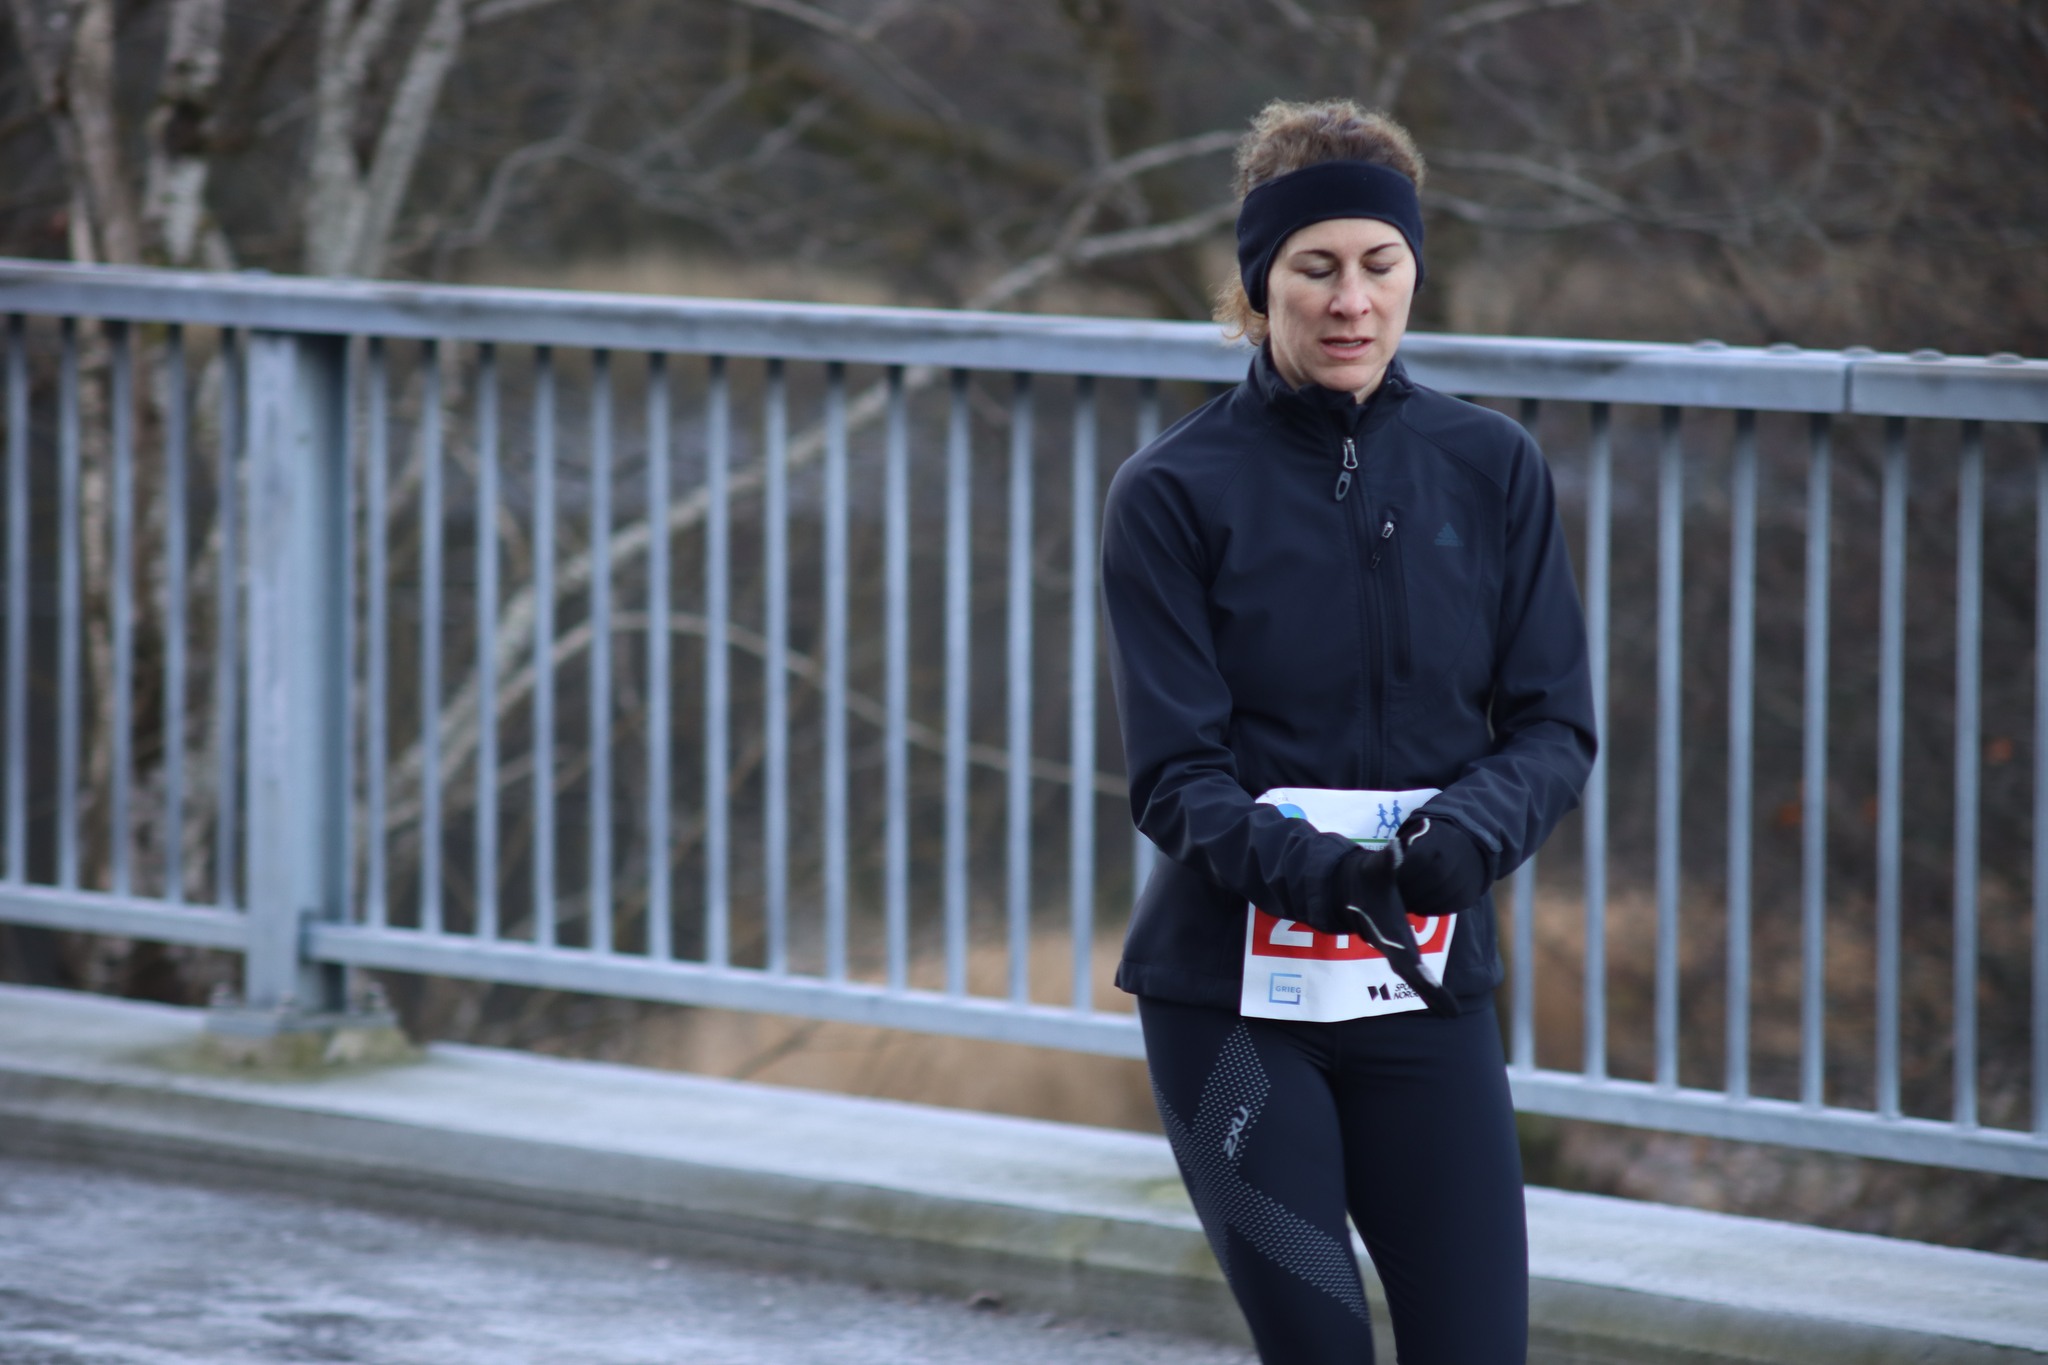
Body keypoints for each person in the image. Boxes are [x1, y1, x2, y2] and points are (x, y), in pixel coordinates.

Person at [1100, 98, 1596, 1364]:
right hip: (1231, 1002)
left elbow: (1552, 726)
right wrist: (1329, 875)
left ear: (1414, 271)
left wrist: (1465, 834)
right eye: (1313, 268)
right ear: (1257, 286)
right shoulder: (1170, 491)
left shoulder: (1490, 466)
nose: (1350, 301)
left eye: (1380, 264)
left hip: (1422, 986)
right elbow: (1176, 780)